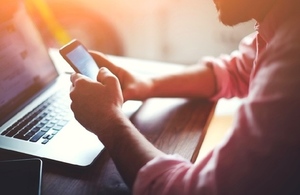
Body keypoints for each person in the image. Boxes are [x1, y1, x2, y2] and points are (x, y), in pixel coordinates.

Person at [69, 0, 300, 194]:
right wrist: (145, 85)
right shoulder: (284, 22)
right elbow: (237, 70)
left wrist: (109, 123)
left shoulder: (292, 56)